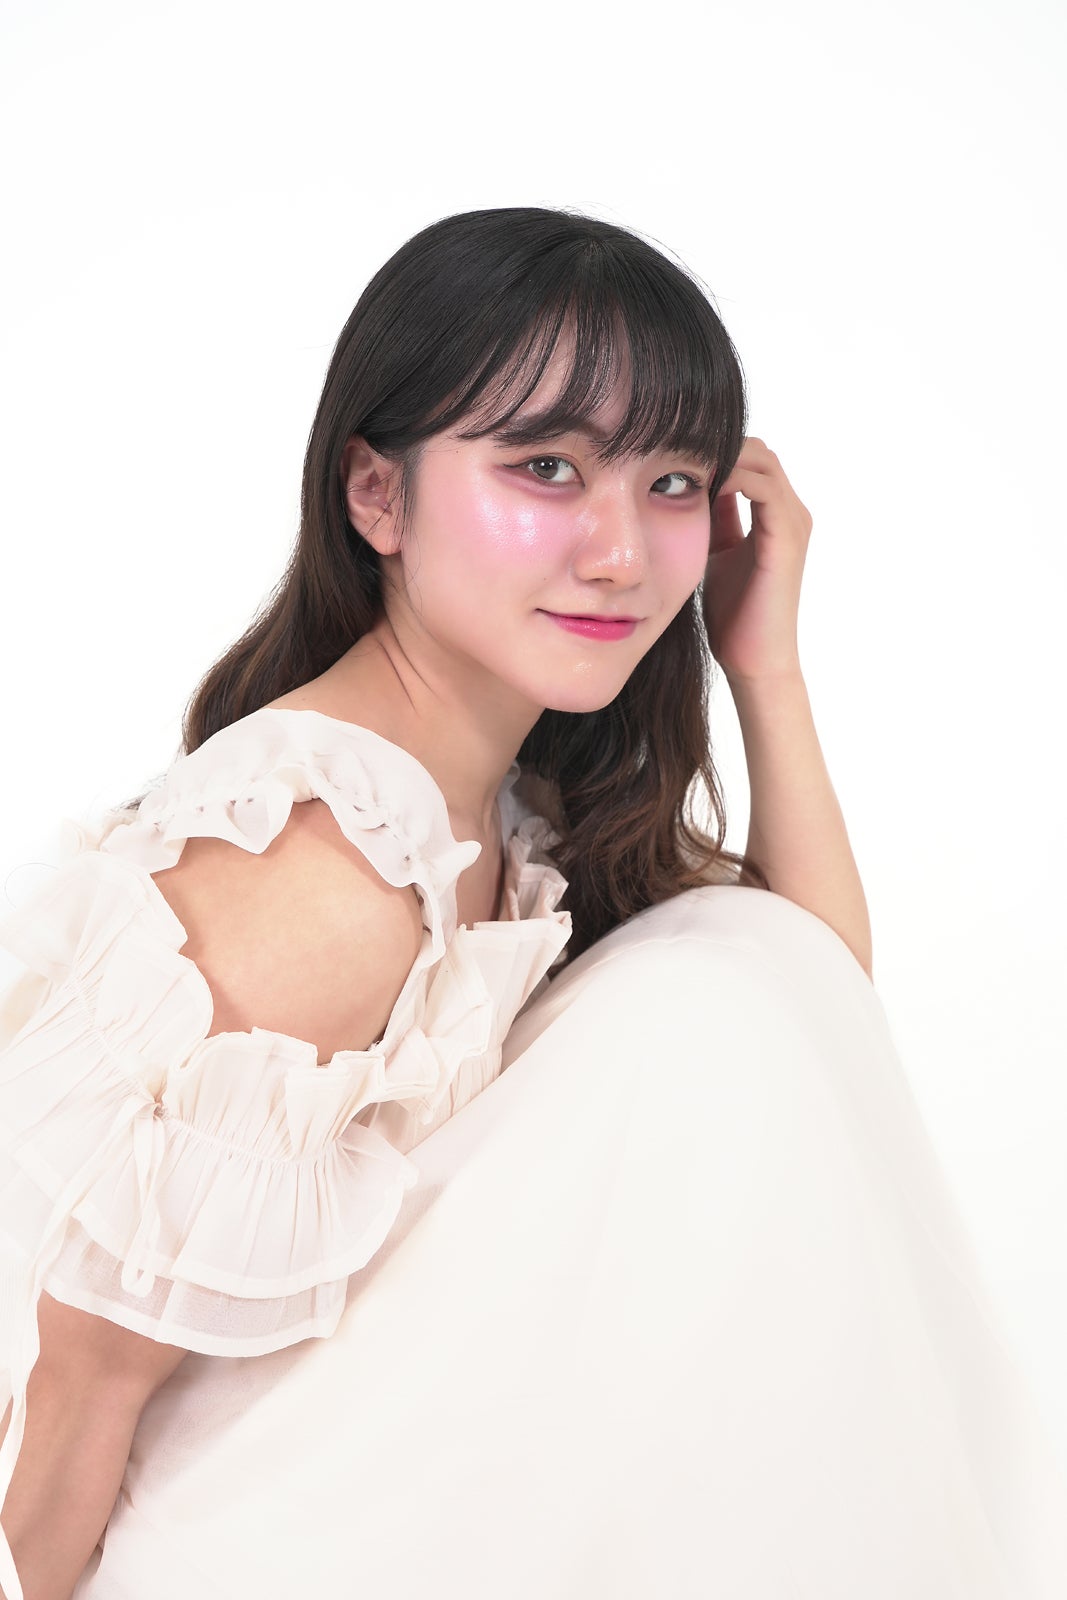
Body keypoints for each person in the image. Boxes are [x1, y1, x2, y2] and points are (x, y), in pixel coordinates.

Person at [0, 206, 1064, 1599]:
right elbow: (67, 1413)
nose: (621, 553)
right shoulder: (323, 871)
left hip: (368, 1503)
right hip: (206, 1550)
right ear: (376, 497)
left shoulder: (500, 803)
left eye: (673, 482)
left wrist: (766, 666)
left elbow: (818, 1023)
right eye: (547, 467)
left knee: (734, 978)